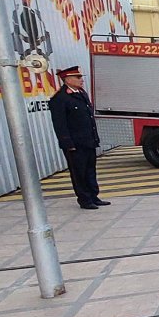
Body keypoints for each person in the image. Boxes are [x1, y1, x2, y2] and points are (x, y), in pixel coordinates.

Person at [49, 66, 110, 210]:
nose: (81, 80)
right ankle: (84, 200)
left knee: (90, 170)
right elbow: (60, 124)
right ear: (68, 79)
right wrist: (67, 143)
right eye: (78, 77)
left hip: (88, 140)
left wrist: (94, 138)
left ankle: (94, 196)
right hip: (75, 144)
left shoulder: (81, 93)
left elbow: (88, 118)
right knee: (79, 172)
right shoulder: (60, 98)